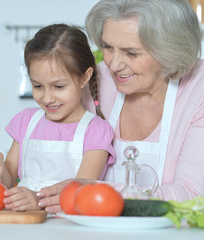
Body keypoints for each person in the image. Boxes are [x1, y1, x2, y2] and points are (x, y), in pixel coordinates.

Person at [36, 0, 204, 214]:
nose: (113, 65)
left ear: (170, 51)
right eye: (107, 47)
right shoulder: (94, 81)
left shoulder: (199, 89)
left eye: (131, 53)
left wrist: (93, 190)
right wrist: (6, 166)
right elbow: (46, 145)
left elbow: (191, 196)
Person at [0, 24, 115, 211]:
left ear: (85, 77)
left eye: (59, 87)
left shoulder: (96, 130)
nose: (47, 98)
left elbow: (81, 189)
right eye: (38, 86)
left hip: (68, 225)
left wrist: (38, 200)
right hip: (25, 221)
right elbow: (8, 181)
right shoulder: (26, 121)